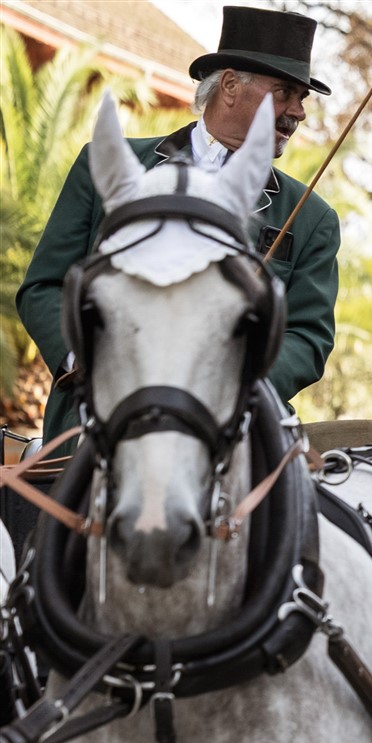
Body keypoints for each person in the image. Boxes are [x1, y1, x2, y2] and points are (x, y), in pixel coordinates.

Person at [15, 5, 339, 463]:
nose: (298, 112)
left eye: (302, 98)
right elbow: (44, 287)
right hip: (92, 429)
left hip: (237, 437)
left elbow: (307, 337)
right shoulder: (104, 166)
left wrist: (232, 378)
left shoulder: (311, 218)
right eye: (285, 92)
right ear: (229, 86)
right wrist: (89, 361)